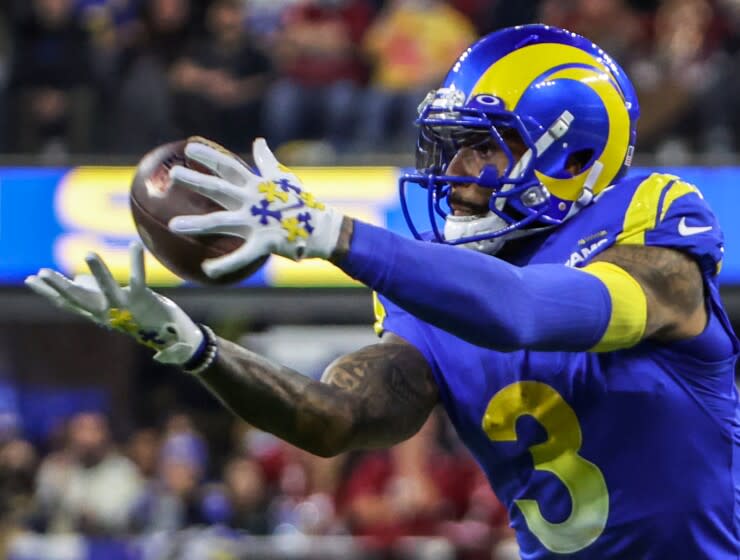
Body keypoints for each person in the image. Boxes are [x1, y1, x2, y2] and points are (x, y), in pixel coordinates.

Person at [26, 24, 739, 558]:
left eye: (483, 146)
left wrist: (335, 233)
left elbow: (527, 310)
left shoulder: (649, 225)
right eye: (448, 145)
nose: (455, 170)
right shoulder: (435, 288)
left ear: (573, 151)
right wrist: (193, 349)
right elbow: (334, 419)